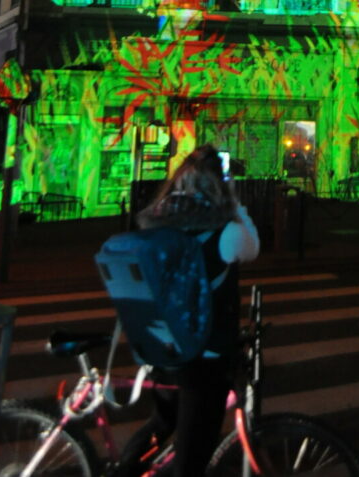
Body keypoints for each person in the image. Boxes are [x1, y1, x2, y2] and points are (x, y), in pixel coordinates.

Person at [116, 145, 259, 476]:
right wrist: (233, 199)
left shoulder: (153, 222)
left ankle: (123, 469)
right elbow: (253, 245)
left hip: (161, 346)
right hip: (204, 357)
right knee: (192, 459)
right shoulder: (227, 233)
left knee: (162, 424)